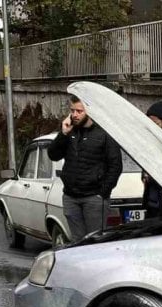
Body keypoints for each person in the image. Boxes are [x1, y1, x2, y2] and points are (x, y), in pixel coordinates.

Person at [47, 94, 123, 240]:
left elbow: (115, 165)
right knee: (78, 243)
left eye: (79, 111)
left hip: (94, 198)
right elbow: (53, 155)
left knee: (95, 243)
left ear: (90, 111)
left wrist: (103, 192)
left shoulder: (104, 133)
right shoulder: (70, 131)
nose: (75, 115)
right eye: (72, 110)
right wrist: (63, 134)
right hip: (71, 197)